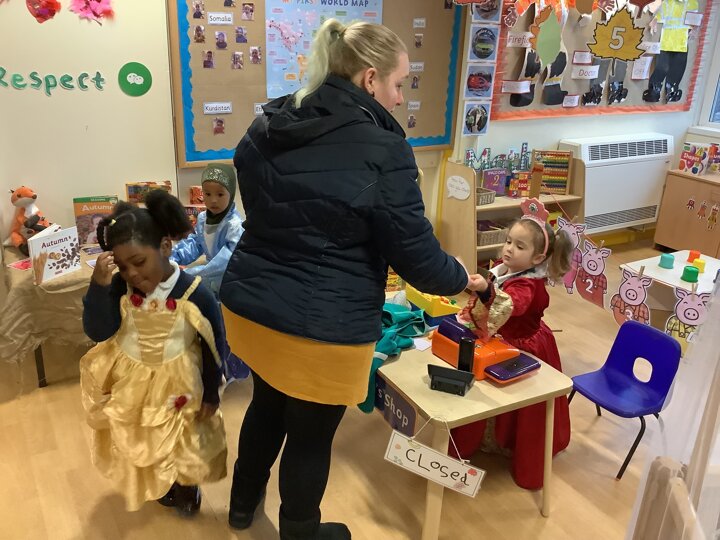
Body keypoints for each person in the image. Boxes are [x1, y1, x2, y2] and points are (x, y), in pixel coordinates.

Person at [220, 18, 484, 540]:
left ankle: (241, 506)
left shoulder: (269, 123)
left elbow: (264, 203)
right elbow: (417, 258)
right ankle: (300, 533)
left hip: (252, 303)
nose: (400, 97)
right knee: (310, 435)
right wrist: (463, 279)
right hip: (323, 323)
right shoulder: (383, 150)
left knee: (266, 405)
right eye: (398, 83)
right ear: (369, 79)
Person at [79, 190, 228, 516]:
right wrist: (98, 287)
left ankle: (186, 486)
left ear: (165, 247)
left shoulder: (195, 293)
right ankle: (162, 481)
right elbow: (98, 330)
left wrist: (211, 392)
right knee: (148, 435)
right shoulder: (120, 287)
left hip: (180, 382)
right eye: (122, 266)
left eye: (139, 262)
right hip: (136, 384)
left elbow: (214, 344)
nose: (132, 274)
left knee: (183, 437)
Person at [450, 198, 573, 490]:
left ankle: (509, 441)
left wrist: (484, 288)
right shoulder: (505, 269)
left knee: (519, 401)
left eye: (519, 246)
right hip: (501, 340)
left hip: (524, 347)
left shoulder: (530, 283)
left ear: (537, 258)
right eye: (508, 241)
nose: (509, 249)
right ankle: (487, 436)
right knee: (488, 389)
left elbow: (512, 305)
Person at [171, 164, 249, 381]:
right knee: (203, 325)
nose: (213, 200)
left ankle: (229, 370)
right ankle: (207, 363)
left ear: (231, 193)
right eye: (207, 194)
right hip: (207, 281)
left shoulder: (235, 224)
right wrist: (172, 258)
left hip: (228, 283)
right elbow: (194, 243)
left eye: (220, 194)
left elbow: (228, 258)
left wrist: (195, 272)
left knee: (224, 328)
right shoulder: (203, 219)